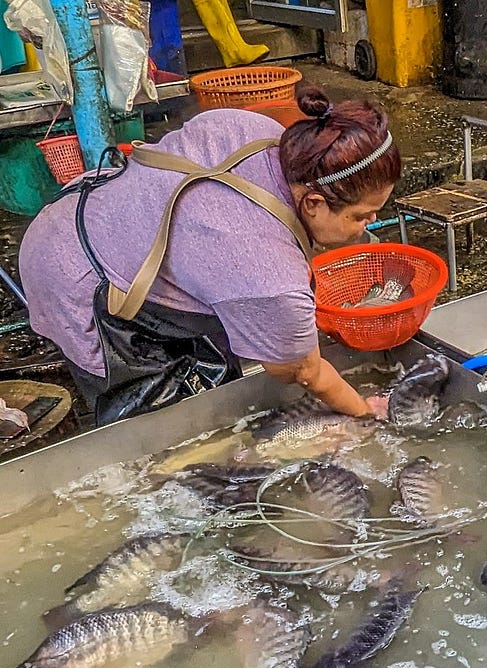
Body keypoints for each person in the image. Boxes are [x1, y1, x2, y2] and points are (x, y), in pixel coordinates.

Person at [20, 86, 401, 425]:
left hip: (97, 207)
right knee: (170, 436)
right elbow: (302, 370)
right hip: (75, 268)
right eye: (360, 216)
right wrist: (364, 413)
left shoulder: (260, 133)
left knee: (211, 366)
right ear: (314, 202)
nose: (369, 225)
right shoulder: (266, 274)